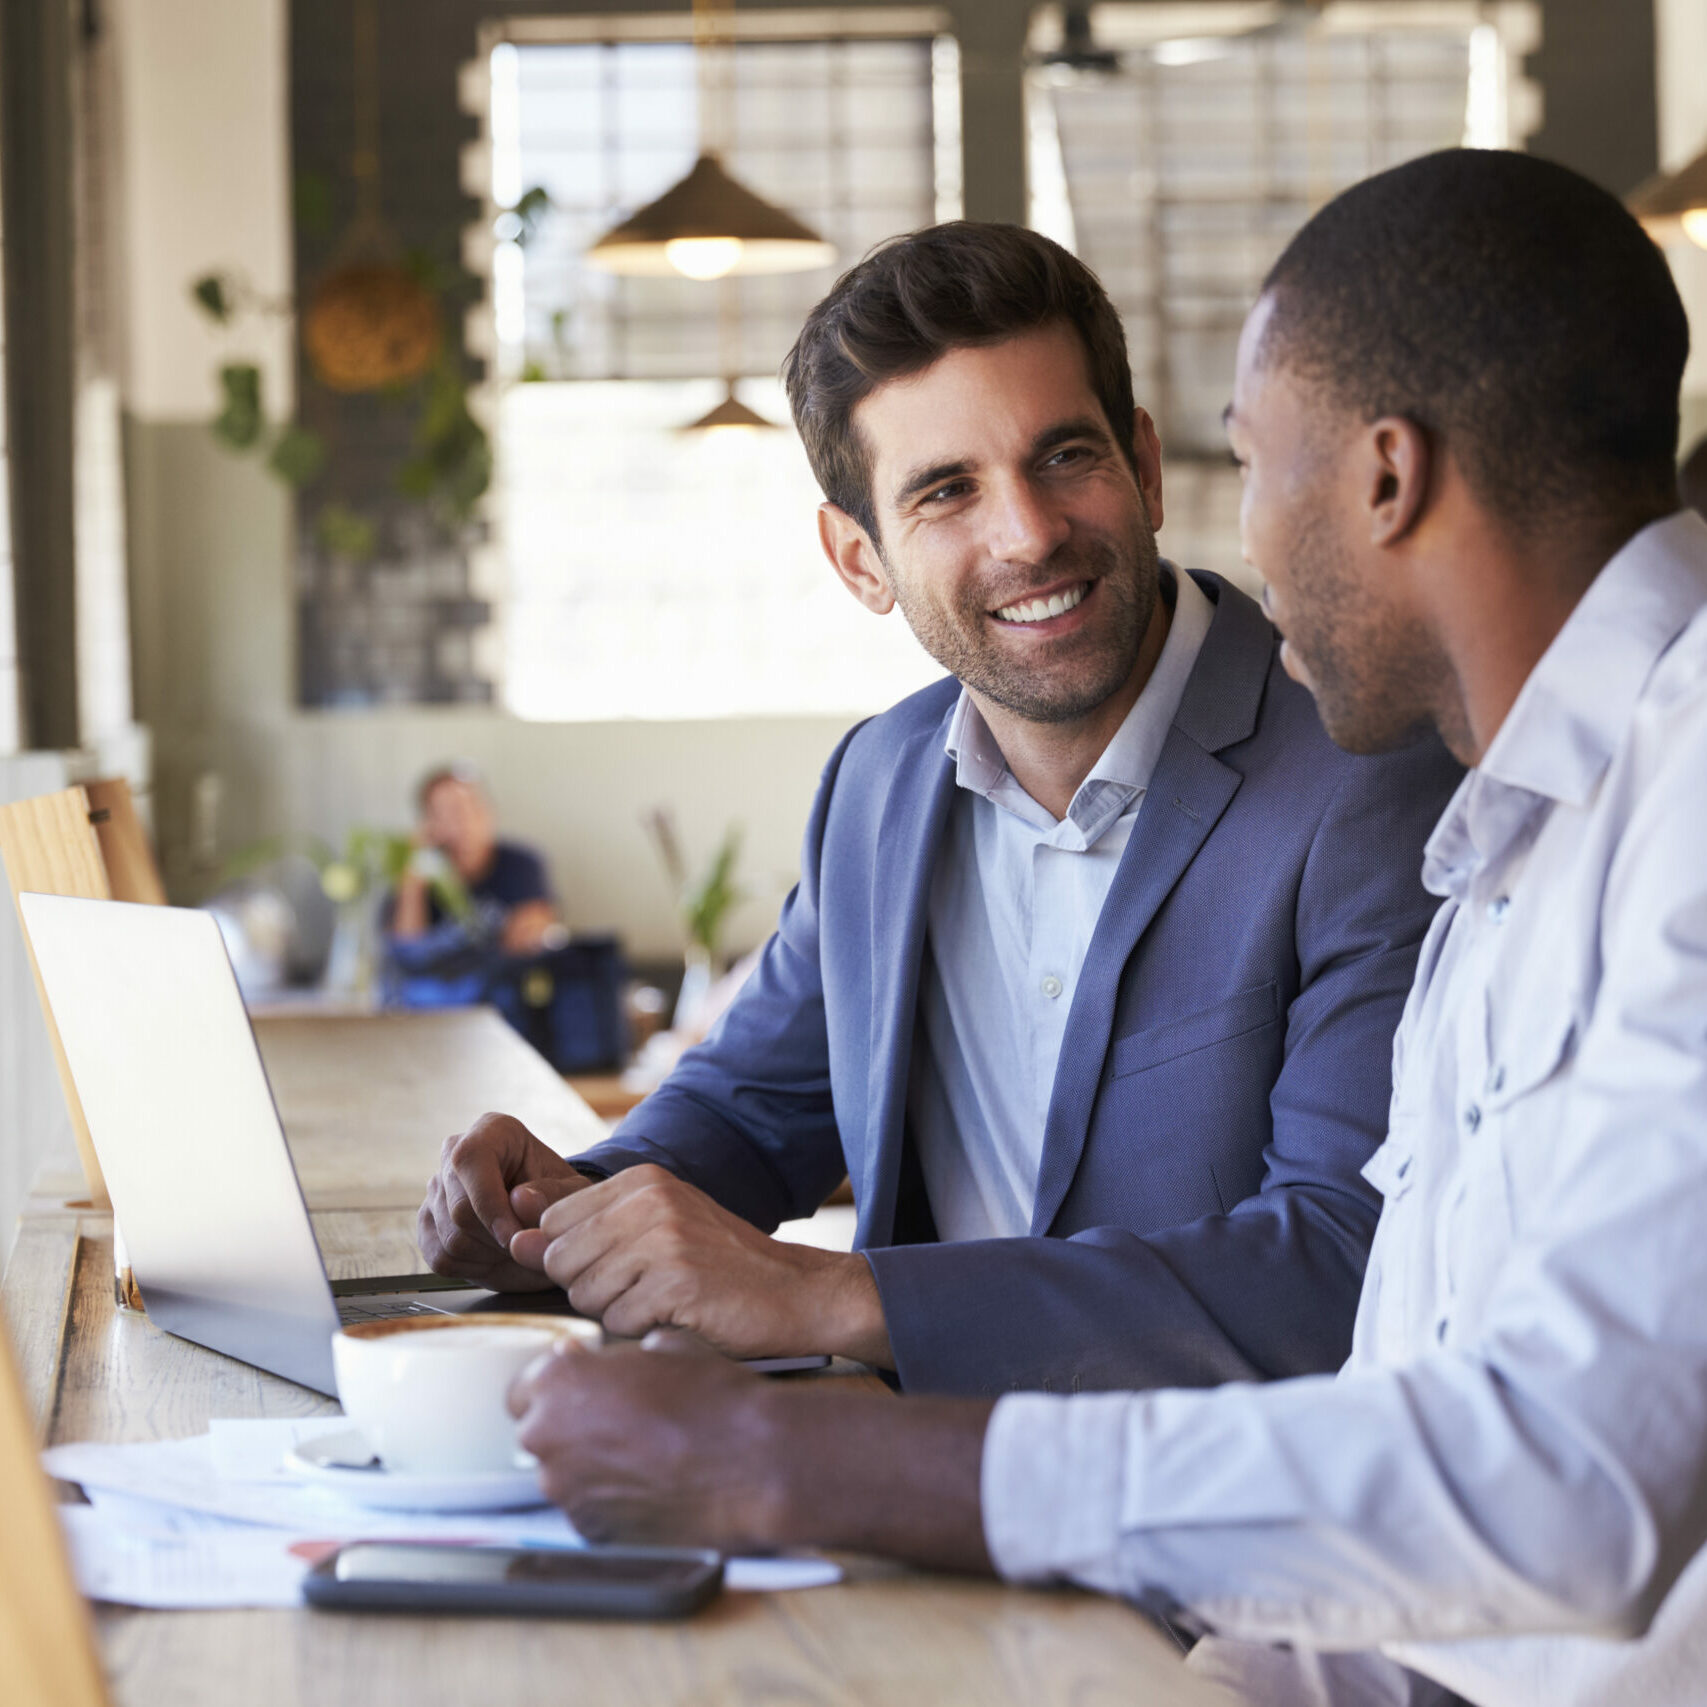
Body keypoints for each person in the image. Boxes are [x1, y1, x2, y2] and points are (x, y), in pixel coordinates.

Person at [505, 150, 1707, 1705]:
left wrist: (832, 1458)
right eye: (942, 487)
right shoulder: (1517, 819)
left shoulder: (1607, 805)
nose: (1249, 540)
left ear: (1382, 476)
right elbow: (1418, 1452)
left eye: (1248, 460)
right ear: (859, 549)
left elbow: (1553, 1485)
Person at [421, 224, 1459, 1396]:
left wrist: (829, 1295)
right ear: (860, 559)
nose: (1027, 532)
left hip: (1213, 1522)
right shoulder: (878, 780)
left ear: (1147, 470)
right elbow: (754, 1116)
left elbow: (1342, 1263)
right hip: (908, 1510)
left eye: (1064, 456)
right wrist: (549, 1211)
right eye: (946, 491)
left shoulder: (1362, 772)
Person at [384, 764, 563, 990]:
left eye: (474, 806)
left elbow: (530, 937)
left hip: (503, 997)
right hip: (439, 1005)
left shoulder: (521, 864)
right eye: (452, 812)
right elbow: (407, 952)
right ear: (430, 825)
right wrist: (413, 878)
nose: (467, 820)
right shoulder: (420, 876)